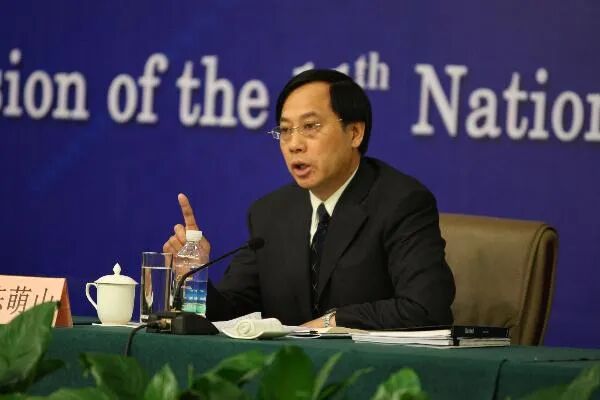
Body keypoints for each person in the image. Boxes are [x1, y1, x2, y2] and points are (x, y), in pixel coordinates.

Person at [163, 69, 455, 329]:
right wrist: (194, 280)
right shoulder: (270, 213)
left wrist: (333, 321)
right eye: (285, 130)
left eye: (310, 127)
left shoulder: (401, 203)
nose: (294, 145)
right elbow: (232, 311)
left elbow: (426, 308)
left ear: (355, 133)